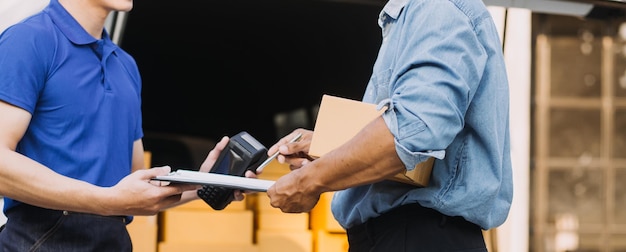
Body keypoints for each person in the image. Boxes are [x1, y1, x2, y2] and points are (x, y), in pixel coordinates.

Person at [0, 0, 253, 250]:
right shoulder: (28, 40)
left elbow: (134, 185)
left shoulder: (125, 66)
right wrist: (108, 201)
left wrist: (205, 184)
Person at [264, 0, 513, 251]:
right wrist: (327, 144)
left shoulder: (438, 9)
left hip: (417, 236)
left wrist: (308, 181)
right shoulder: (421, 13)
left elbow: (413, 130)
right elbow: (410, 128)